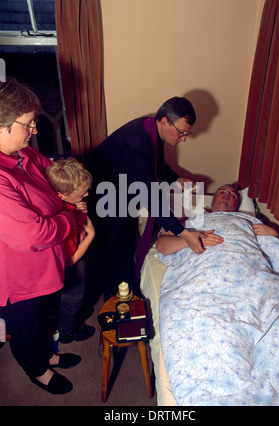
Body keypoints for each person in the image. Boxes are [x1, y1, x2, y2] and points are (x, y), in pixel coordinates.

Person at [89, 97, 223, 299]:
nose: (184, 139)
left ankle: (128, 290)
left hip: (122, 193)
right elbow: (150, 197)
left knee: (126, 245)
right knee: (111, 251)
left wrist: (175, 178)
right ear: (165, 122)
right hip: (104, 197)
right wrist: (183, 233)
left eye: (187, 133)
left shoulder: (150, 128)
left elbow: (157, 165)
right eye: (182, 132)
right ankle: (113, 301)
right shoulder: (137, 144)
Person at [0, 78, 81, 395]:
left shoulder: (25, 155)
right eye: (28, 124)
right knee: (26, 328)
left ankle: (49, 355)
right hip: (14, 278)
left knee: (43, 319)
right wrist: (68, 217)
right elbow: (30, 235)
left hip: (39, 267)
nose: (34, 130)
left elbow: (53, 173)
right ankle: (38, 371)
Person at [46, 157, 96, 343]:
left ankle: (76, 313)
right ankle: (67, 331)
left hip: (76, 247)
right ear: (62, 194)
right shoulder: (60, 217)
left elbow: (78, 217)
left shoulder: (68, 203)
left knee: (79, 295)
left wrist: (79, 207)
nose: (86, 195)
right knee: (72, 298)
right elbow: (70, 260)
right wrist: (90, 235)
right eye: (81, 194)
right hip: (69, 264)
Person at [156, 184, 279, 255]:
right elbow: (161, 245)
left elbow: (277, 252)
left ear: (236, 206)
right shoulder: (190, 220)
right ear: (213, 199)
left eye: (233, 195)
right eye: (222, 192)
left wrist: (274, 234)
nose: (227, 195)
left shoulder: (248, 221)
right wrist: (189, 241)